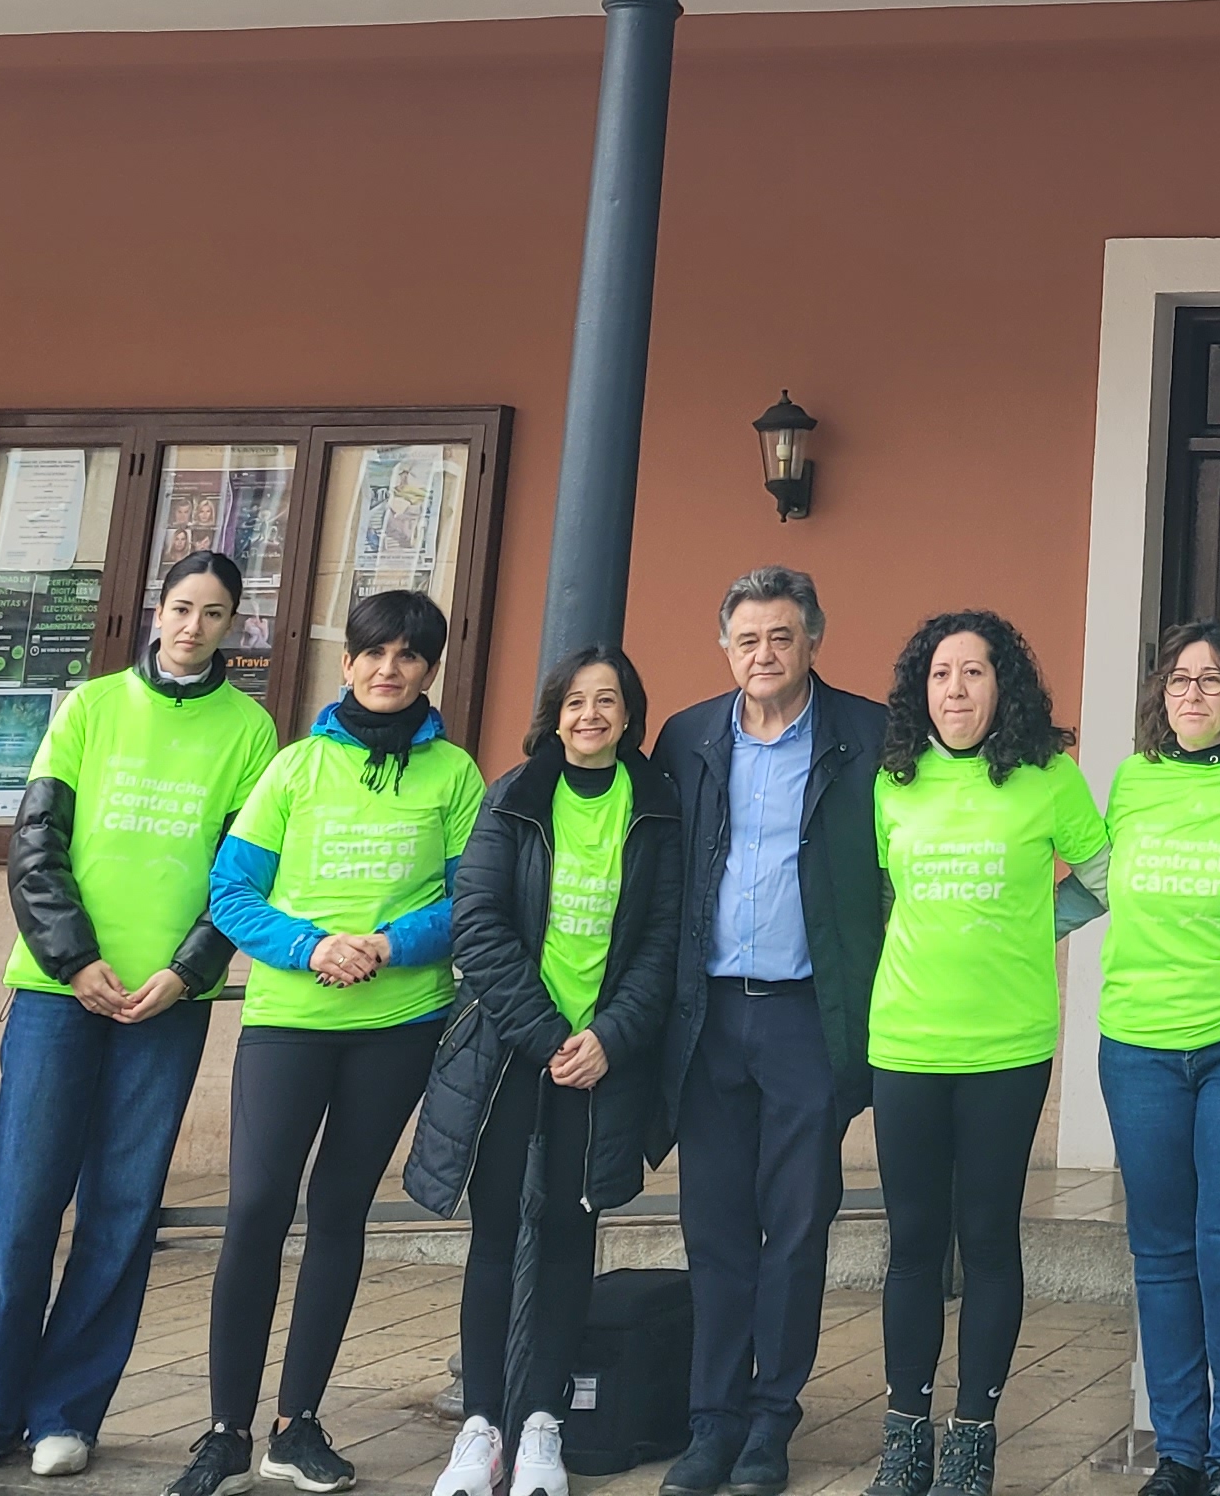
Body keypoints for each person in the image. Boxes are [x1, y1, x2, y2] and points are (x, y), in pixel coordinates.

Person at [0, 551, 281, 1479]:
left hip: (168, 1005)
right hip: (62, 993)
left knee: (122, 1210)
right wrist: (77, 959)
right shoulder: (89, 708)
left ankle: (67, 1412)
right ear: (156, 610)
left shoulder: (251, 732)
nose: (193, 627)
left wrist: (186, 973)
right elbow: (35, 845)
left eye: (215, 614)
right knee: (21, 1202)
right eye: (182, 608)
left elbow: (241, 874)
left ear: (234, 626)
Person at [174, 589, 489, 1496]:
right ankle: (225, 1430)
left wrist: (390, 946)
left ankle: (295, 1424)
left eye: (408, 656)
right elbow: (231, 894)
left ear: (430, 670)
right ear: (346, 663)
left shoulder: (456, 776)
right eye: (373, 654)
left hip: (398, 1023)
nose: (389, 670)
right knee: (258, 1208)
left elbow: (473, 900)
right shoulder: (295, 768)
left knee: (340, 1214)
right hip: (288, 1020)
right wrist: (314, 947)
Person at [406, 647, 684, 1496]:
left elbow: (661, 944)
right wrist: (546, 1034)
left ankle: (541, 1428)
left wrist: (607, 1037)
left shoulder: (657, 808)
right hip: (511, 1058)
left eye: (607, 702)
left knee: (568, 1237)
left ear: (630, 715)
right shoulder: (515, 795)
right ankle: (481, 1427)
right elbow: (479, 924)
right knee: (496, 1237)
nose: (589, 716)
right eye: (574, 701)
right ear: (554, 713)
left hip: (598, 1067)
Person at [649, 569, 893, 1496]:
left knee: (794, 1228)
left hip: (806, 1015)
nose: (764, 655)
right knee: (712, 1226)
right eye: (747, 639)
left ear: (814, 642)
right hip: (708, 1016)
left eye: (781, 637)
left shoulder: (866, 736)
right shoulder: (688, 737)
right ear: (726, 647)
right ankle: (710, 1421)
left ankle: (770, 1425)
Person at [862, 611, 1111, 1496]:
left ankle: (973, 1436)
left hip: (1008, 1047)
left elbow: (1104, 875)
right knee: (912, 1244)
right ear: (918, 689)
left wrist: (1041, 925)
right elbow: (878, 895)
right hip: (906, 1041)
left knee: (988, 1237)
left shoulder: (1048, 779)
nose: (955, 690)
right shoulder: (892, 781)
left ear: (1003, 684)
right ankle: (905, 1439)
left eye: (972, 673)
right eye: (939, 674)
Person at [1097, 621, 1220, 1496]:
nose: (1193, 694)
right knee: (1162, 1251)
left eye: (1212, 680)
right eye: (1178, 680)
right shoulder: (1131, 782)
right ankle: (1179, 1453)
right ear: (1158, 695)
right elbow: (1085, 886)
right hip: (1137, 1045)